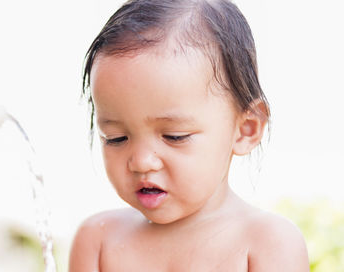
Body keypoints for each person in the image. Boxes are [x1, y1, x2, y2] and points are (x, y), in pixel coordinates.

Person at [69, 0, 309, 271]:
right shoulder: (98, 241)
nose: (142, 162)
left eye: (174, 136)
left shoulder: (267, 244)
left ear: (246, 129)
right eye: (116, 137)